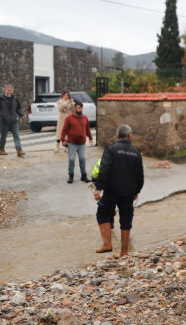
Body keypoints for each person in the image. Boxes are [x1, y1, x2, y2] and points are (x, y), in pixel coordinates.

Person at [93, 124, 144, 256]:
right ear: (130, 135)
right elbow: (140, 175)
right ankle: (124, 252)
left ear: (117, 136)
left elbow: (104, 169)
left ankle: (107, 244)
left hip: (111, 191)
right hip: (128, 193)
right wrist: (137, 191)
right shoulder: (136, 152)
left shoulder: (111, 149)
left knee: (102, 213)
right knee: (126, 219)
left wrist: (98, 188)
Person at [61, 101, 94, 184]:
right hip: (72, 143)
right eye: (78, 108)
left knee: (82, 159)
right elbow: (64, 130)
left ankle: (84, 175)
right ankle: (71, 175)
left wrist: (90, 138)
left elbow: (87, 129)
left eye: (81, 108)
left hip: (82, 143)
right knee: (71, 159)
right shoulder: (69, 118)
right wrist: (63, 140)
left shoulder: (84, 118)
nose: (80, 110)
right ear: (75, 108)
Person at [0, 84, 26, 157]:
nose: (10, 92)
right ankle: (1, 149)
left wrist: (21, 115)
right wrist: (1, 114)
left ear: (13, 90)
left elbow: (18, 109)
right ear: (5, 90)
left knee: (16, 135)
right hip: (4, 121)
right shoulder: (0, 99)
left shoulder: (15, 99)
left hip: (14, 121)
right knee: (3, 136)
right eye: (8, 90)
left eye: (11, 90)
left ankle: (19, 149)